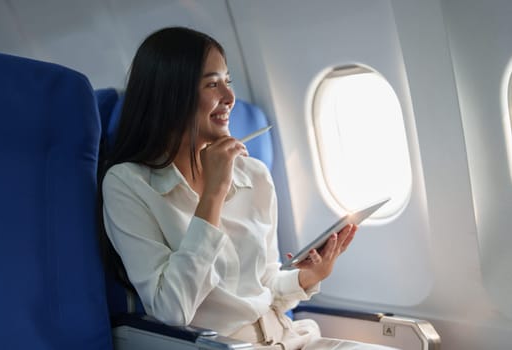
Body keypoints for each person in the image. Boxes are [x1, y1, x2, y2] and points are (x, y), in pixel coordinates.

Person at [99, 27, 398, 350]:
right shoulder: (128, 184)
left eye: (228, 82)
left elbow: (265, 283)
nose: (229, 98)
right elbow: (172, 309)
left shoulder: (253, 174)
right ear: (170, 94)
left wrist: (308, 277)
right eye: (213, 84)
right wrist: (213, 194)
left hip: (285, 338)